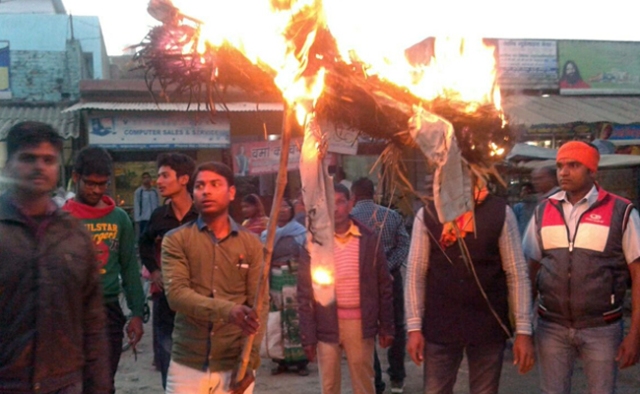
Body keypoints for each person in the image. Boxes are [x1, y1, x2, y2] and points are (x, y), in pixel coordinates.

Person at [0, 121, 111, 393]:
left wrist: (99, 387)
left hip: (64, 382)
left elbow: (93, 325)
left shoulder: (74, 236)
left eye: (48, 160)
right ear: (8, 165)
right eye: (28, 158)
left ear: (57, 168)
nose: (39, 167)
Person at [522, 141, 640, 394]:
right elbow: (528, 271)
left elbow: (638, 275)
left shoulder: (621, 211)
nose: (564, 172)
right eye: (560, 166)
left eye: (573, 165)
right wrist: (523, 328)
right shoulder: (544, 210)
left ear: (592, 171)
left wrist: (634, 335)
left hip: (602, 328)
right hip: (551, 326)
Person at [405, 177, 535, 394]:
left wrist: (523, 331)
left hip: (487, 325)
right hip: (440, 324)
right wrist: (414, 327)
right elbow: (415, 274)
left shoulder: (500, 212)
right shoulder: (428, 214)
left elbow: (517, 273)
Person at [162, 161, 268, 394]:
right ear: (193, 193)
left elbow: (259, 305)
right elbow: (177, 295)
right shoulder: (176, 240)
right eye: (200, 186)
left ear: (231, 193)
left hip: (233, 363)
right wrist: (228, 311)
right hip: (187, 363)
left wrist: (249, 362)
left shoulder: (251, 243)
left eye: (215, 184)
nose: (206, 191)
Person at [297, 183, 395, 394]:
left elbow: (384, 286)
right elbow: (304, 294)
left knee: (364, 383)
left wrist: (387, 326)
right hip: (326, 322)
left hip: (359, 325)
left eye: (340, 202)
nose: (335, 208)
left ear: (351, 204)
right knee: (329, 385)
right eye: (330, 203)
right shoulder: (315, 242)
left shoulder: (368, 240)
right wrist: (307, 335)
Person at [63, 146, 145, 393]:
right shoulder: (61, 218)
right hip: (69, 312)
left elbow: (130, 267)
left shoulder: (119, 218)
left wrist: (137, 313)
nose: (97, 190)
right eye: (90, 183)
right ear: (76, 177)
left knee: (103, 383)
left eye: (103, 184)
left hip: (108, 311)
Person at [139, 152, 198, 389]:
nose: (159, 181)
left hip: (199, 300)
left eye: (165, 176)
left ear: (184, 179)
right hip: (165, 300)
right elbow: (143, 244)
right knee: (167, 357)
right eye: (158, 176)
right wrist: (153, 271)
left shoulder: (203, 214)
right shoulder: (158, 216)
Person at [350, 177, 410, 394]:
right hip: (392, 279)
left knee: (366, 330)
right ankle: (397, 378)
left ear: (353, 197)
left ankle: (375, 381)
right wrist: (387, 270)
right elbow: (404, 245)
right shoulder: (392, 216)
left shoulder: (350, 219)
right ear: (373, 193)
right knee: (395, 326)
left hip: (360, 282)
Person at [260, 197, 309, 376]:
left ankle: (301, 361)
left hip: (295, 278)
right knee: (277, 321)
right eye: (278, 207)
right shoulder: (267, 235)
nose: (283, 210)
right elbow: (263, 261)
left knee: (296, 320)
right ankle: (280, 361)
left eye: (286, 206)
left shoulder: (301, 232)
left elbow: (307, 257)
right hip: (274, 280)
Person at [133, 171, 160, 238]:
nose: (146, 179)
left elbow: (157, 203)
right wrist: (137, 220)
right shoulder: (139, 192)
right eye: (144, 178)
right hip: (143, 219)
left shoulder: (154, 191)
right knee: (144, 238)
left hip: (154, 219)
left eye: (148, 177)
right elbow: (137, 205)